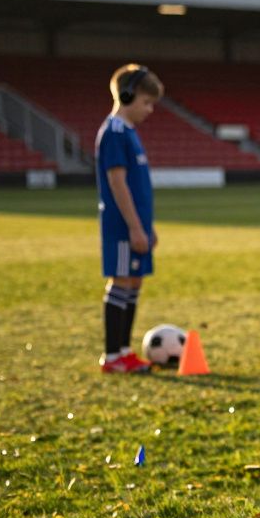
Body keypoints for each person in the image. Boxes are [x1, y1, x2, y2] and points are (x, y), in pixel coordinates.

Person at [96, 63, 164, 374]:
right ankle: (112, 357)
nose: (150, 110)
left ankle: (125, 351)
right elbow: (117, 182)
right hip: (122, 226)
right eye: (146, 102)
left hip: (138, 226)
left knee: (133, 283)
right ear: (127, 95)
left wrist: (148, 227)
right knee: (121, 282)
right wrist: (135, 227)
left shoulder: (130, 133)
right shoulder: (114, 132)